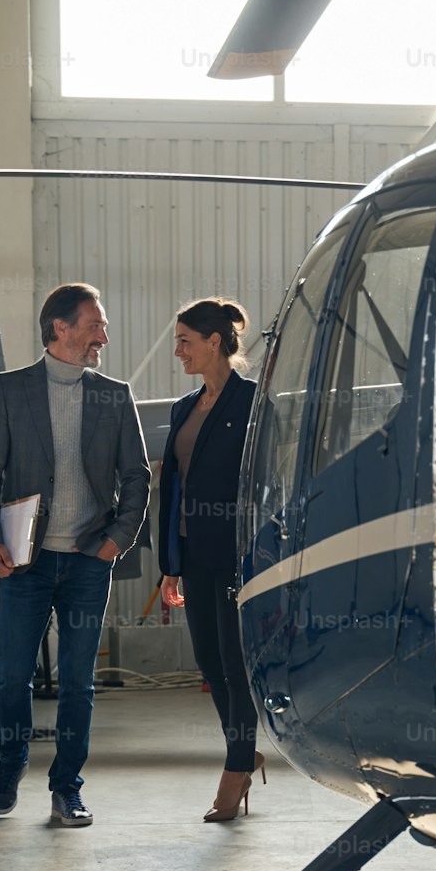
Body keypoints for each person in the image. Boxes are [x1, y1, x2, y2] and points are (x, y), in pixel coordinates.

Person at [0, 282, 150, 826]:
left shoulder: (114, 395)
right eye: (95, 324)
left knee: (78, 681)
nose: (104, 335)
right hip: (25, 561)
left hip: (87, 561)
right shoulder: (10, 390)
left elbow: (137, 476)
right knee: (13, 676)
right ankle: (9, 768)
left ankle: (66, 787)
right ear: (60, 329)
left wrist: (120, 537)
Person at [159, 298, 264, 821]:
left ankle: (237, 766)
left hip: (235, 556)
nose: (177, 351)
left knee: (233, 663)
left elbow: (265, 481)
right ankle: (242, 755)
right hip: (192, 554)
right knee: (208, 662)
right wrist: (169, 565)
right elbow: (173, 489)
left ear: (214, 341)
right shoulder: (184, 408)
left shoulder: (252, 403)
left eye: (185, 340)